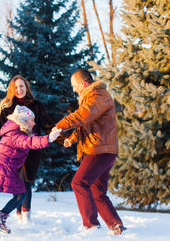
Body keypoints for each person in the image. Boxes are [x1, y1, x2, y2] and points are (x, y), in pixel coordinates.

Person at [0, 105, 61, 239]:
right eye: (32, 120)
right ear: (23, 120)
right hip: (1, 169)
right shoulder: (16, 134)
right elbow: (30, 142)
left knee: (14, 196)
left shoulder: (16, 131)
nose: (34, 123)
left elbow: (30, 139)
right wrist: (49, 139)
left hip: (3, 169)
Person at [54, 69, 125, 235]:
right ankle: (116, 226)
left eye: (74, 86)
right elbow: (87, 123)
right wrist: (71, 138)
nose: (73, 90)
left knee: (78, 183)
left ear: (83, 83)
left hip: (99, 150)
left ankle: (91, 225)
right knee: (97, 191)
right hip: (101, 150)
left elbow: (84, 116)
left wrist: (60, 125)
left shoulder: (99, 96)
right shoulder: (91, 98)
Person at [0, 75, 56, 223]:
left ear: (26, 87)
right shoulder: (7, 109)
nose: (19, 89)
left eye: (22, 86)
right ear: (12, 89)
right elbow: (2, 132)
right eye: (16, 87)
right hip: (13, 152)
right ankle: (19, 216)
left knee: (26, 182)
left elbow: (47, 125)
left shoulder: (36, 105)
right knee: (16, 183)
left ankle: (26, 218)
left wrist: (61, 137)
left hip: (32, 150)